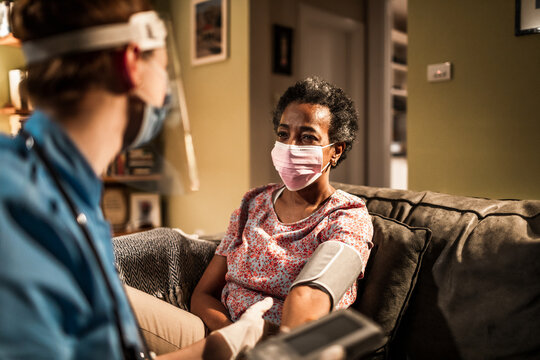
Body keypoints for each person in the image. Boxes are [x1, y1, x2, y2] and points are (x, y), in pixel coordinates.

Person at [0, 1, 271, 359]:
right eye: (162, 66)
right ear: (130, 64)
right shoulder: (19, 207)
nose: (165, 88)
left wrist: (228, 344)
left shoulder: (67, 193)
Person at [191, 77, 374, 334]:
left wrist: (260, 345)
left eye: (307, 137)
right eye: (283, 134)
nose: (290, 147)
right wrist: (231, 334)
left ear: (336, 151)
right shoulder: (253, 203)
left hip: (278, 346)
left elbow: (310, 298)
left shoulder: (347, 216)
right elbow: (203, 294)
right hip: (216, 332)